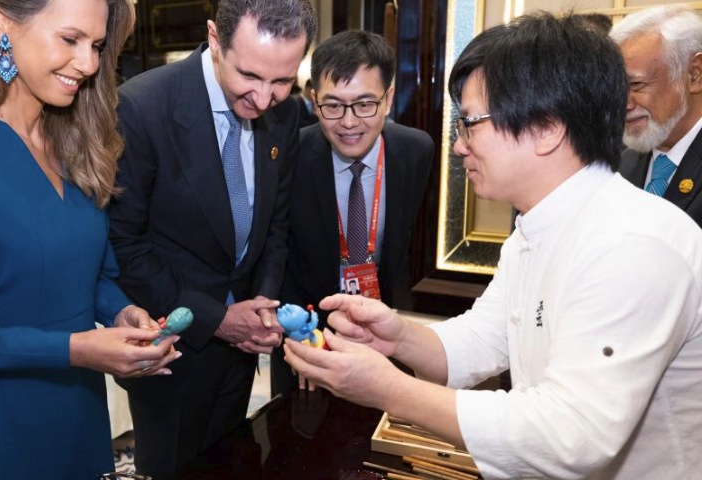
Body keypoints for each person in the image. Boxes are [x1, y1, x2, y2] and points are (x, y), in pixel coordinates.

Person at [284, 12, 702, 480]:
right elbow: (484, 338)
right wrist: (396, 335)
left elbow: (572, 436)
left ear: (547, 128)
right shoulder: (534, 228)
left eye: (470, 123)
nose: (459, 146)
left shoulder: (632, 245)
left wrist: (388, 389)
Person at [0, 1, 181, 479]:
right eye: (70, 40)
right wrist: (74, 349)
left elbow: (91, 274)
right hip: (6, 437)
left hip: (86, 423)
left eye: (96, 46)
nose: (90, 63)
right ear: (2, 20)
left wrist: (120, 311)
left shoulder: (75, 139)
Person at [107, 0, 317, 477]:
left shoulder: (285, 116)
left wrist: (262, 302)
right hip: (175, 350)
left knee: (232, 462)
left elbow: (275, 225)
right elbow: (125, 246)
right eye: (250, 76)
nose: (264, 99)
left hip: (243, 351)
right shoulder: (142, 108)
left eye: (282, 80)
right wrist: (219, 320)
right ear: (215, 39)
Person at [271, 30, 433, 396]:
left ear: (388, 99)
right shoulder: (289, 156)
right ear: (314, 102)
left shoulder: (416, 152)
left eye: (364, 104)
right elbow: (278, 248)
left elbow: (404, 245)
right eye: (333, 105)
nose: (348, 122)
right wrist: (299, 338)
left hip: (383, 331)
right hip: (307, 335)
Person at [611, 5, 702, 228]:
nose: (624, 103)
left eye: (636, 85)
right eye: (616, 88)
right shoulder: (620, 165)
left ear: (694, 75)